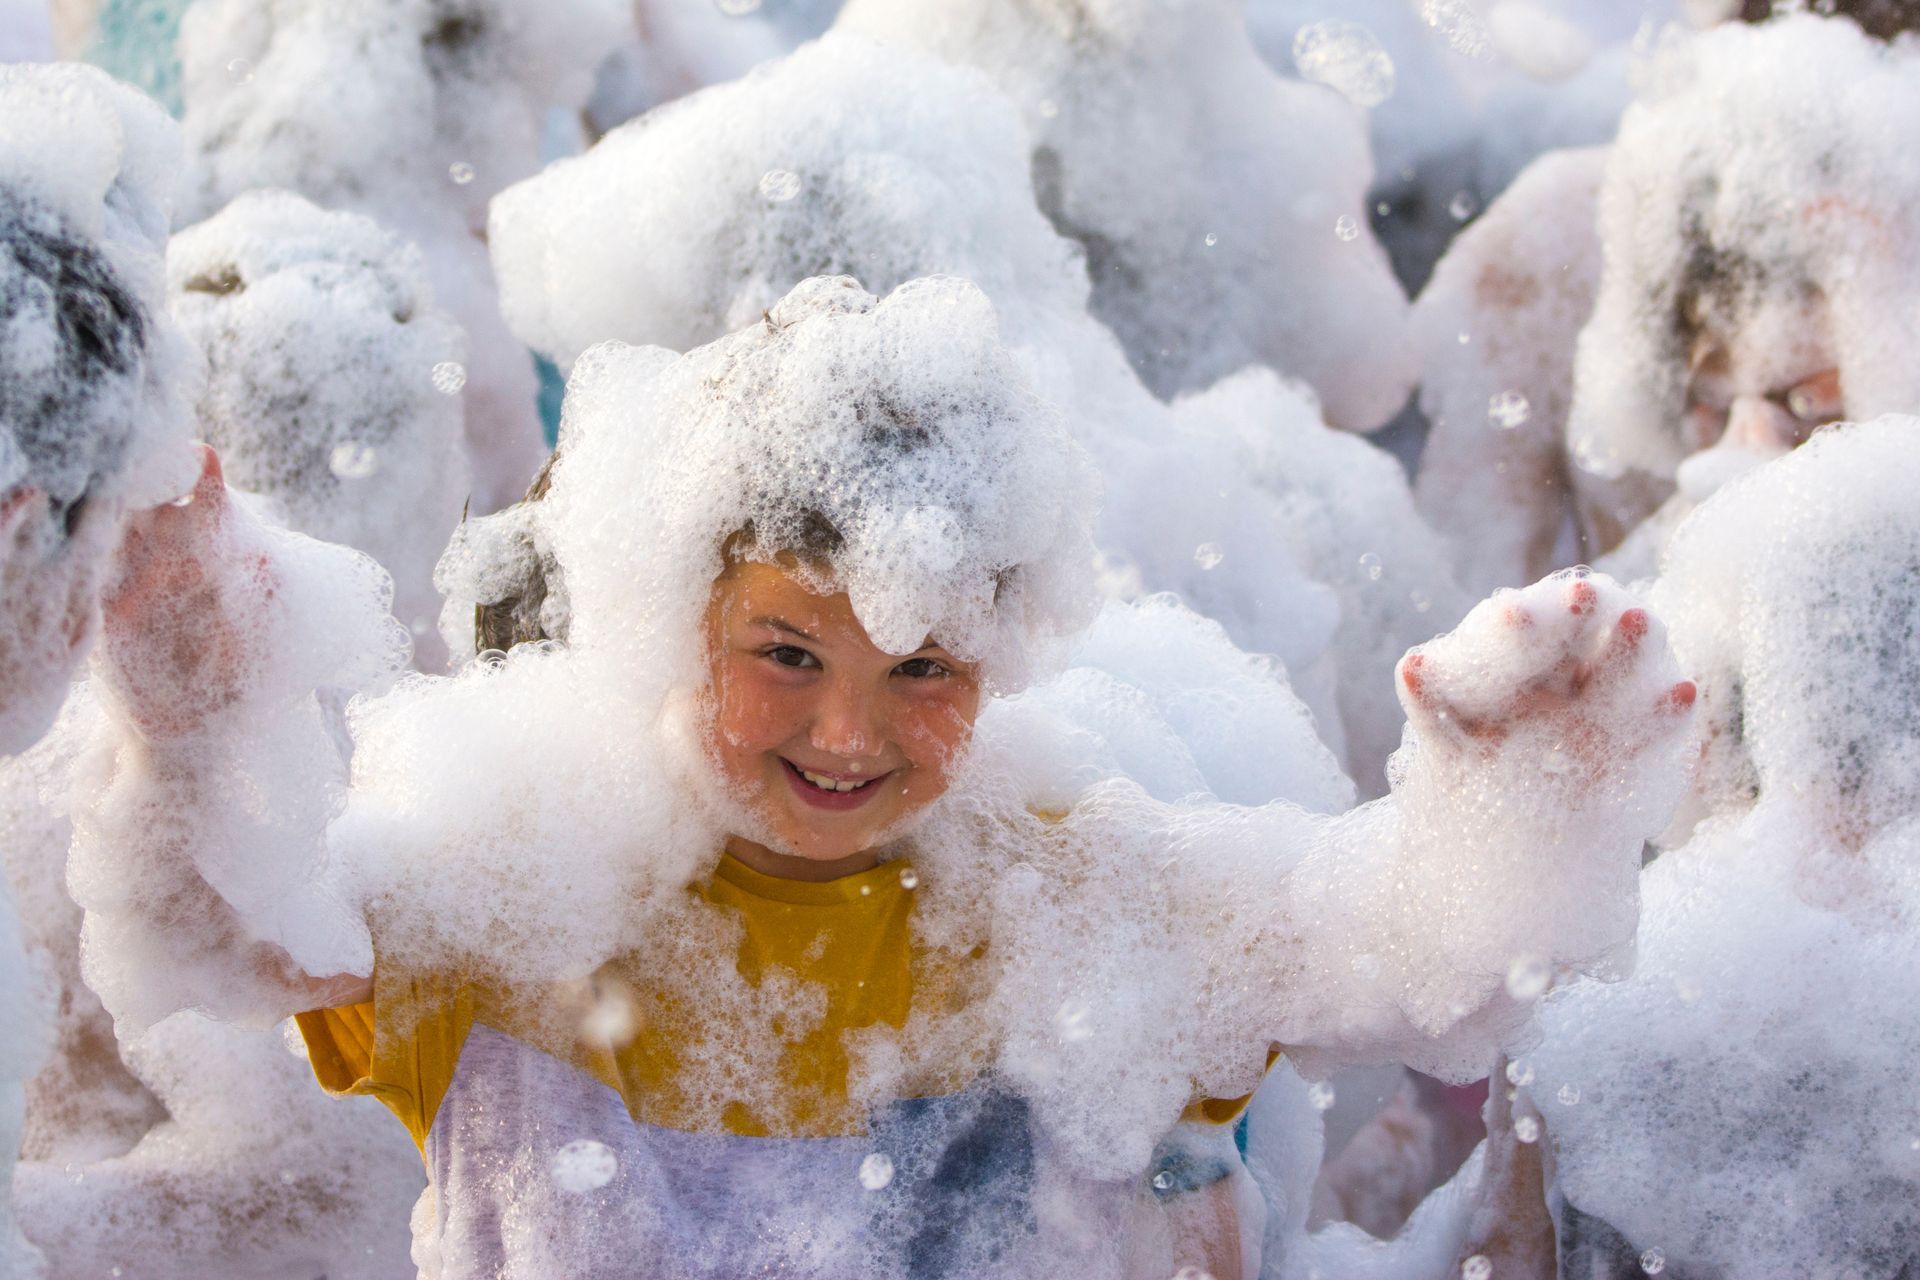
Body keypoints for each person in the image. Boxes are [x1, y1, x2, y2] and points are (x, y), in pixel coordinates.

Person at [81, 275, 1696, 1278]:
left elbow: (1388, 950)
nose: (848, 738)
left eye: (922, 671)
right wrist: (190, 737)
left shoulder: (1064, 889)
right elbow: (230, 943)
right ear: (667, 621)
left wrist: (1520, 817)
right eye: (785, 653)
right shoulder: (523, 887)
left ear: (998, 660)